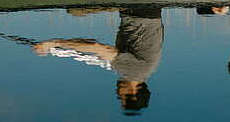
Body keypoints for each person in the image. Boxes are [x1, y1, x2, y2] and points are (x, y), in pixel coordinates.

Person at [33, 7, 164, 114]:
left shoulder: (147, 70)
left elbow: (92, 46)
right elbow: (94, 46)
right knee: (75, 11)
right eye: (121, 97)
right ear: (133, 93)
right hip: (135, 8)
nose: (117, 93)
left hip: (147, 10)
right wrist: (54, 43)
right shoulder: (132, 72)